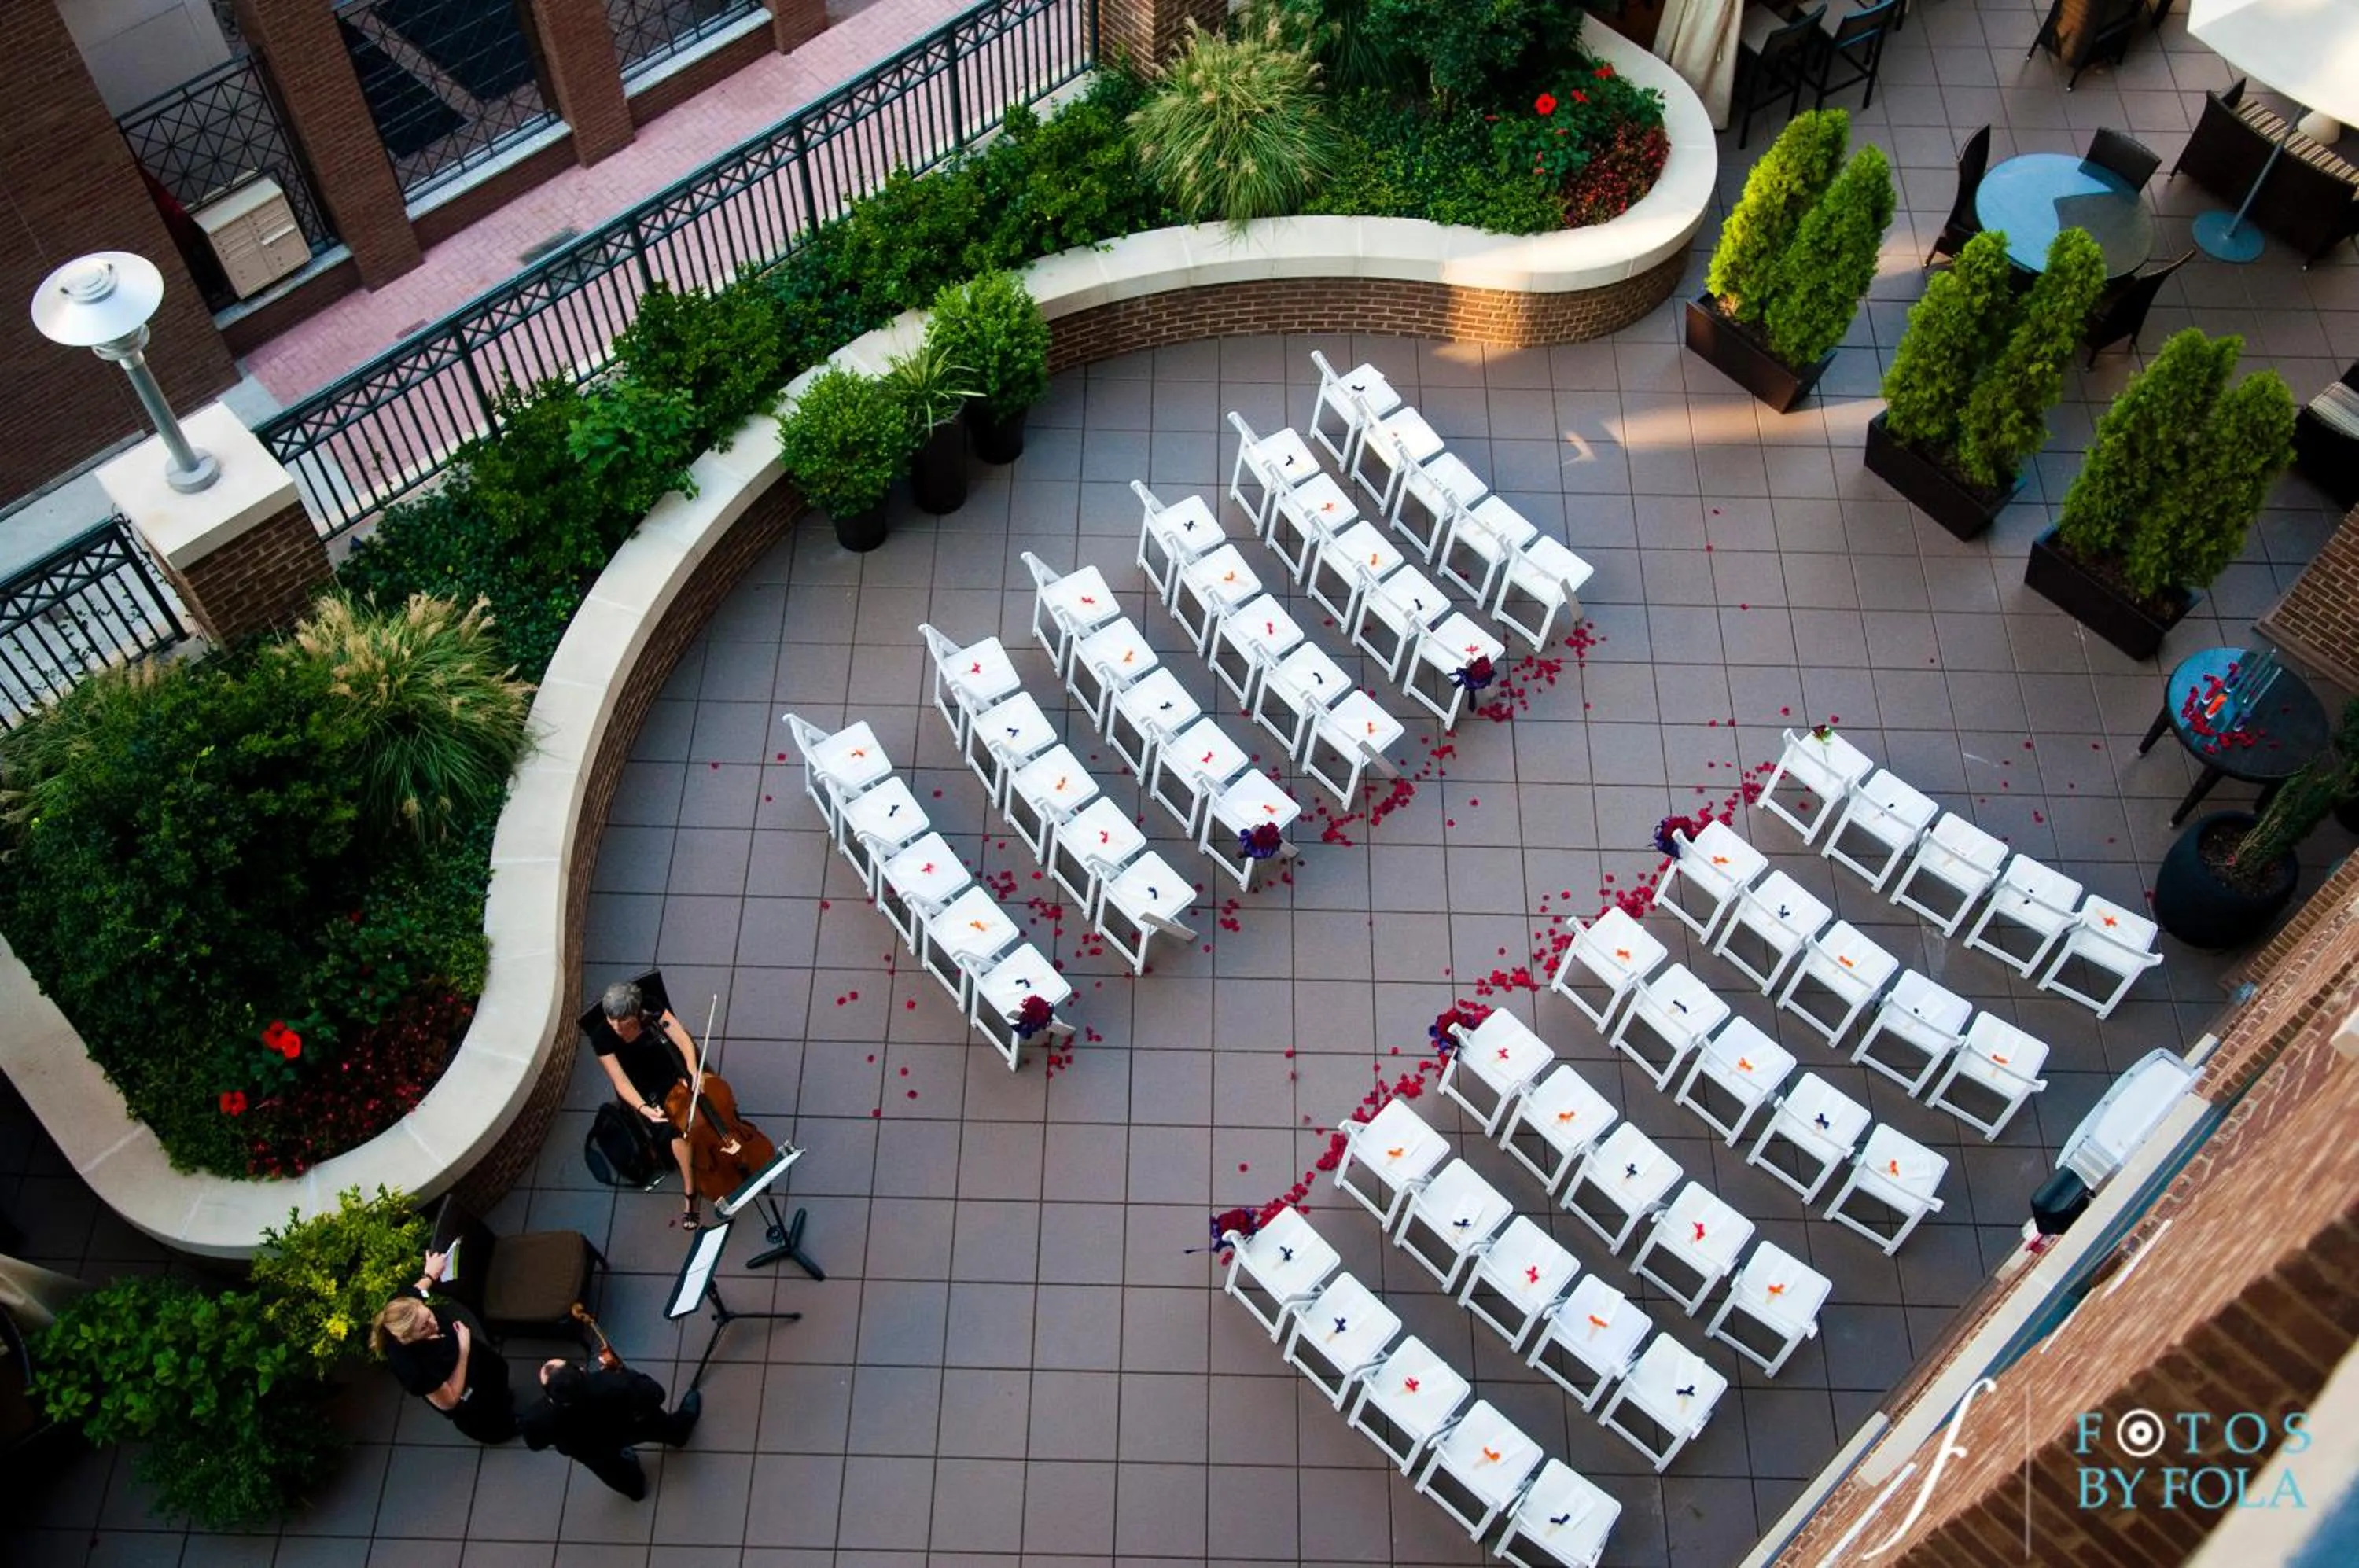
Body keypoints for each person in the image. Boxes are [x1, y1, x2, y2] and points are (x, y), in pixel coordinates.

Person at [369, 1250, 516, 1444]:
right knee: (486, 1415)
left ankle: (504, 1400)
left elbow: (418, 1291)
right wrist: (463, 1349)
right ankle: (506, 1429)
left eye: (428, 1314)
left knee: (497, 1378)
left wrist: (430, 1274)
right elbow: (450, 1400)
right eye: (423, 1328)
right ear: (406, 1336)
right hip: (467, 1390)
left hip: (480, 1363)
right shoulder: (413, 1370)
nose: (433, 1324)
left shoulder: (403, 1309)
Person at [590, 980, 705, 1227]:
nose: (618, 1027)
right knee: (674, 1130)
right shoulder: (602, 1036)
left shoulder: (650, 1009)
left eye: (624, 1021)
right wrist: (643, 1109)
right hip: (642, 1087)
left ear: (637, 1012)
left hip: (668, 1069)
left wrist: (692, 1070)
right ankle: (690, 1191)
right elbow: (620, 1081)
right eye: (612, 1020)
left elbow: (681, 1037)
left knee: (703, 1094)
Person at [517, 1355, 701, 1501]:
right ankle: (679, 1434)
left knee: (615, 1473)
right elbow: (656, 1394)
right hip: (630, 1426)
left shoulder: (534, 1419)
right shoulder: (613, 1383)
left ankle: (635, 1491)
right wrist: (622, 1371)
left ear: (550, 1396)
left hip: (590, 1449)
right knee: (661, 1426)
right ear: (581, 1372)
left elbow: (536, 1444)